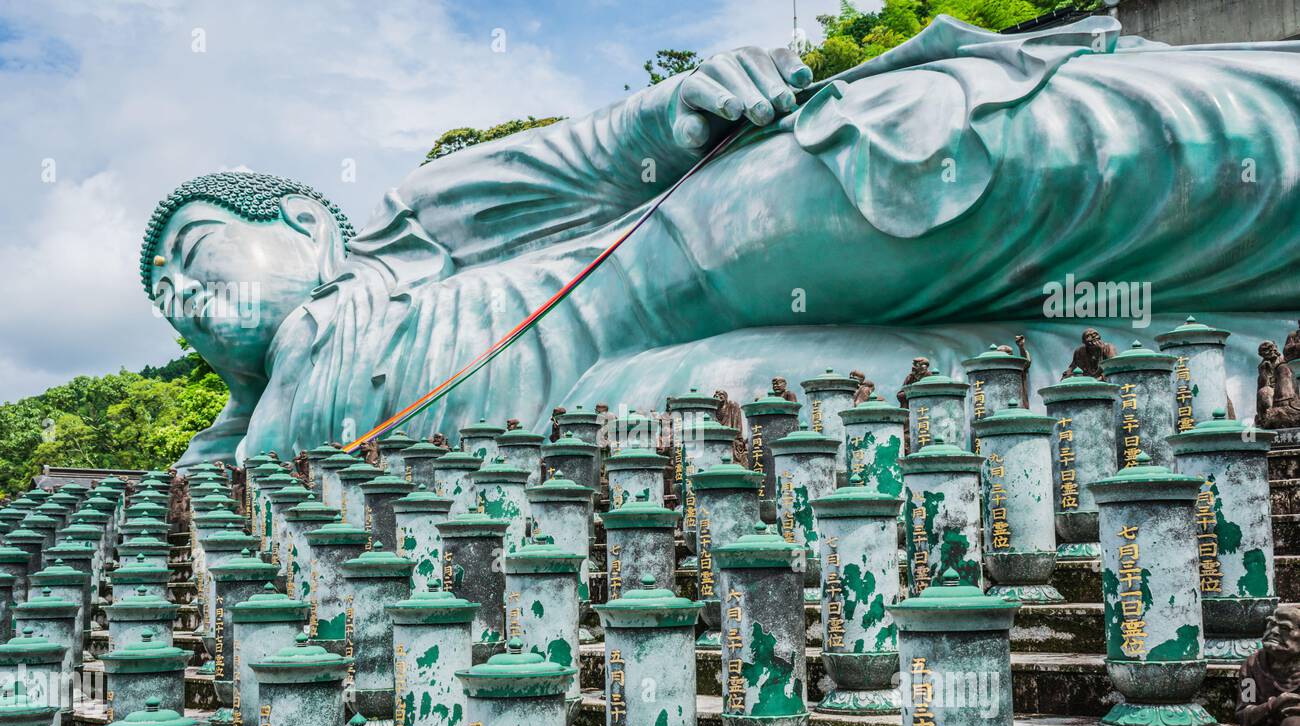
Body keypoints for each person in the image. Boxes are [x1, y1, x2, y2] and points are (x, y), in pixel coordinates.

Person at [141, 17, 1300, 462]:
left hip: (666, 261)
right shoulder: (236, 446)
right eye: (159, 299)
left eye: (190, 256)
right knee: (873, 398)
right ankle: (1243, 357)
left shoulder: (411, 236)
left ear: (300, 219)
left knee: (917, 165)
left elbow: (589, 160)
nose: (178, 298)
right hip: (615, 400)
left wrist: (673, 112)